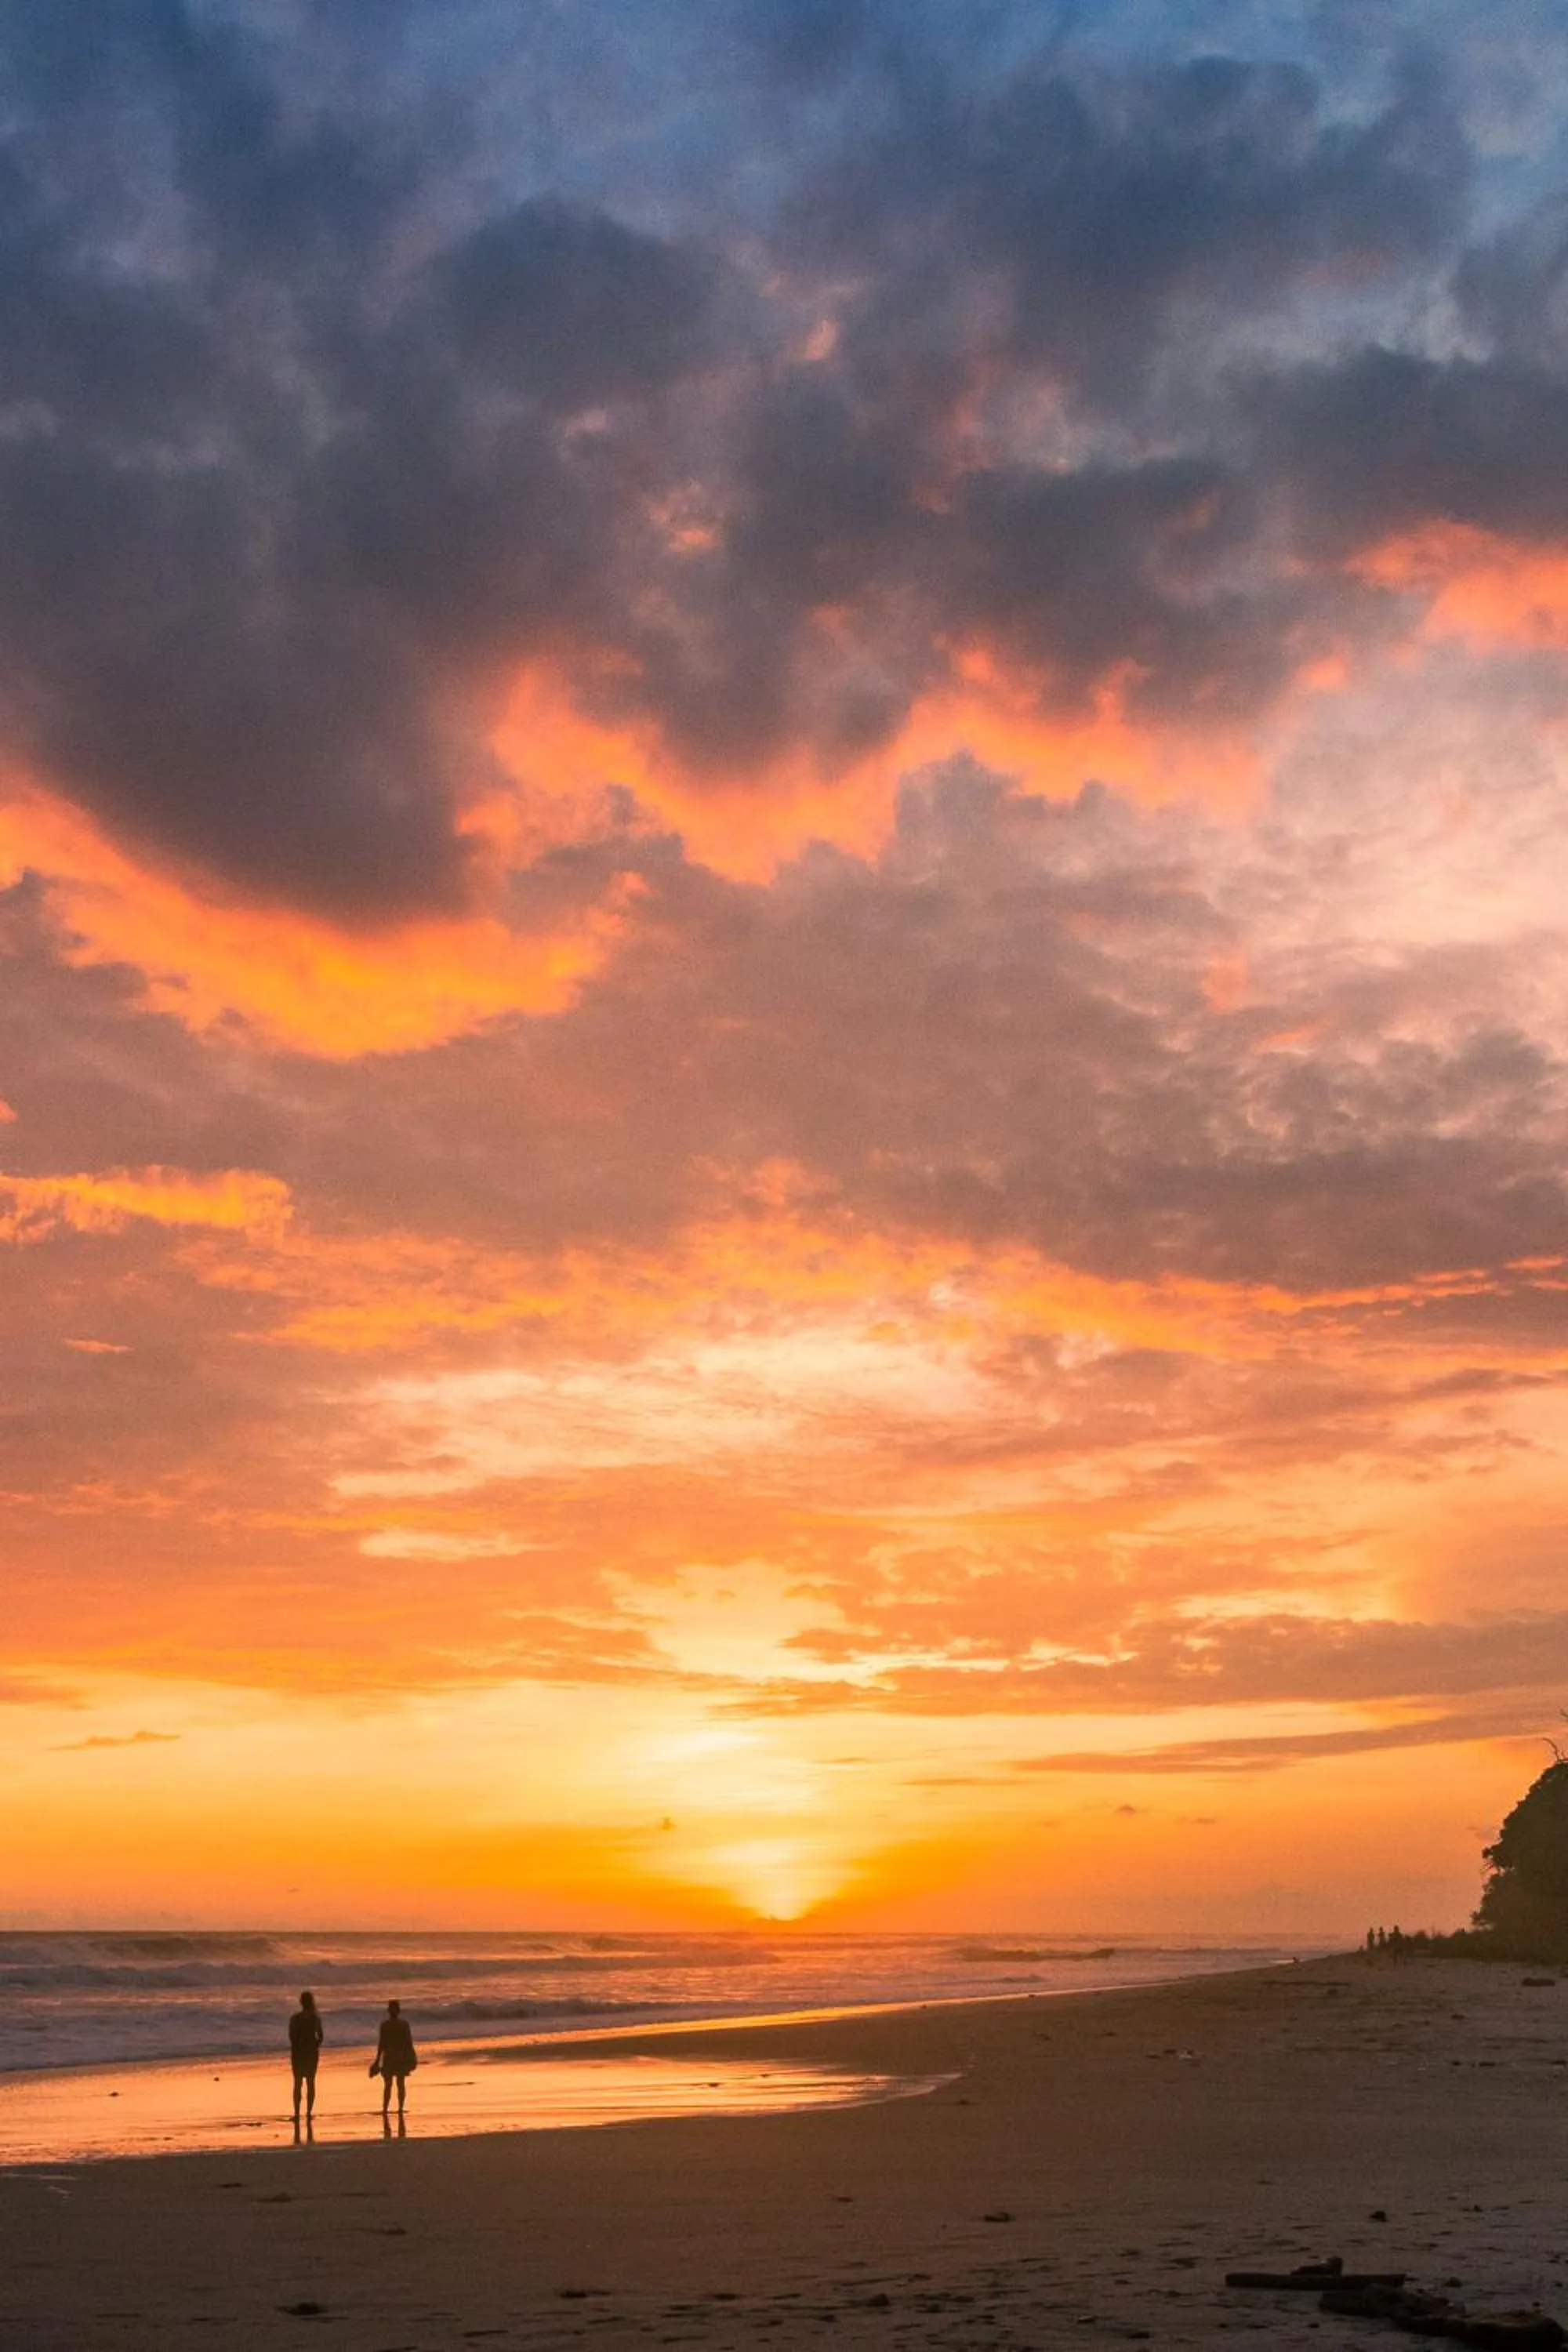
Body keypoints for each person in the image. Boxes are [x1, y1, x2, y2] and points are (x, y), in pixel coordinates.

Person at [374, 1998, 417, 2129]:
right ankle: (399, 2108)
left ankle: (385, 2109)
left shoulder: (385, 2025)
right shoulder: (404, 2024)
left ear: (389, 2011)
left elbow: (381, 2044)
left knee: (388, 2085)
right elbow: (409, 2042)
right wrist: (412, 2056)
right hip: (401, 2056)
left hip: (389, 2057)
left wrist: (377, 2060)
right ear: (399, 2011)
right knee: (400, 2084)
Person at [288, 1990, 323, 2134]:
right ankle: (308, 2113)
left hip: (298, 2052)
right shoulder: (315, 2018)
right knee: (310, 2081)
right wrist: (314, 2046)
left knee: (297, 2082)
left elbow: (291, 2036)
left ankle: (297, 2113)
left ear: (301, 2002)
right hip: (311, 2052)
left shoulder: (295, 2018)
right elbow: (320, 2037)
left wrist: (297, 2046)